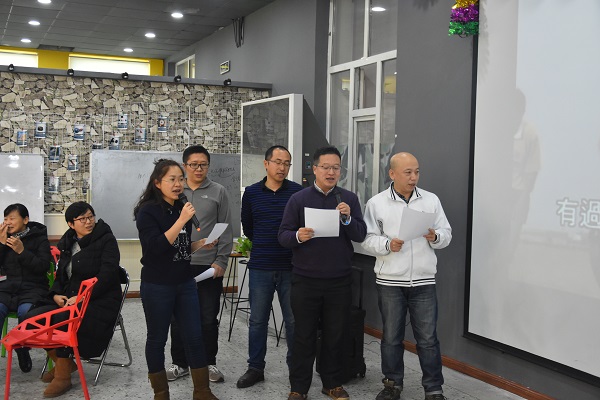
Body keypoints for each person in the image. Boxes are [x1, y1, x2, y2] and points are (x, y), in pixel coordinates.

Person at [278, 146, 367, 400]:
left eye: (336, 168)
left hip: (339, 280)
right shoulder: (299, 199)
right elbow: (283, 235)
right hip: (305, 280)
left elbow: (360, 234)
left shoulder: (348, 199)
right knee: (303, 336)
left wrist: (347, 219)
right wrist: (298, 235)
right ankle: (299, 387)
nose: (331, 172)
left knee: (335, 335)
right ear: (315, 169)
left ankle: (332, 383)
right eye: (326, 167)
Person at [361, 152, 452, 400]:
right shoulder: (377, 203)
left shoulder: (431, 200)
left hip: (423, 281)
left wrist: (436, 237)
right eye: (408, 172)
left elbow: (446, 233)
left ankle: (434, 389)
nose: (414, 177)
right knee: (392, 337)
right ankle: (392, 385)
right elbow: (367, 239)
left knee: (428, 339)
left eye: (417, 172)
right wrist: (387, 244)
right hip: (390, 281)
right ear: (392, 174)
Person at [134, 158, 218, 400]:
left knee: (194, 336)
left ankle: (202, 391)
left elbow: (178, 248)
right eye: (172, 179)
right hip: (157, 284)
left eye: (181, 179)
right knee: (157, 338)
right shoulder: (147, 211)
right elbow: (156, 248)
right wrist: (182, 220)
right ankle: (161, 393)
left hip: (185, 282)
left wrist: (199, 244)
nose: (178, 184)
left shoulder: (179, 207)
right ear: (157, 183)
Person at [24, 201, 122, 398]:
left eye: (90, 216)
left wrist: (82, 297)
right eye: (82, 219)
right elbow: (61, 276)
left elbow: (108, 275)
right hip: (70, 299)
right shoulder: (68, 242)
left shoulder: (106, 239)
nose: (88, 222)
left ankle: (63, 376)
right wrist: (55, 295)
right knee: (31, 317)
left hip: (100, 300)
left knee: (63, 320)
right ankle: (66, 363)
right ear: (71, 224)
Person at [236, 145, 303, 389]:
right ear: (266, 164)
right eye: (278, 162)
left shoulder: (298, 192)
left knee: (293, 321)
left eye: (287, 163)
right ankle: (255, 368)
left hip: (291, 266)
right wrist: (265, 243)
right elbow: (248, 227)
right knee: (257, 321)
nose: (282, 167)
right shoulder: (252, 193)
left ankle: (297, 369)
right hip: (261, 266)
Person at [165, 145, 233, 384]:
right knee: (177, 318)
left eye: (203, 164)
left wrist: (221, 260)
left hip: (208, 266)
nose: (198, 169)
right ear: (184, 166)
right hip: (178, 265)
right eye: (193, 164)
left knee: (207, 317)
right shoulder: (174, 191)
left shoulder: (218, 191)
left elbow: (225, 227)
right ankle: (180, 363)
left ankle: (208, 363)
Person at [0, 203, 51, 373]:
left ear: (25, 220)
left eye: (12, 218)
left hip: (33, 288)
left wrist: (22, 251)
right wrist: (1, 245)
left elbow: (43, 266)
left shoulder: (39, 238)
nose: (8, 222)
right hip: (7, 288)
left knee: (26, 313)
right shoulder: (3, 237)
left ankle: (23, 348)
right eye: (5, 219)